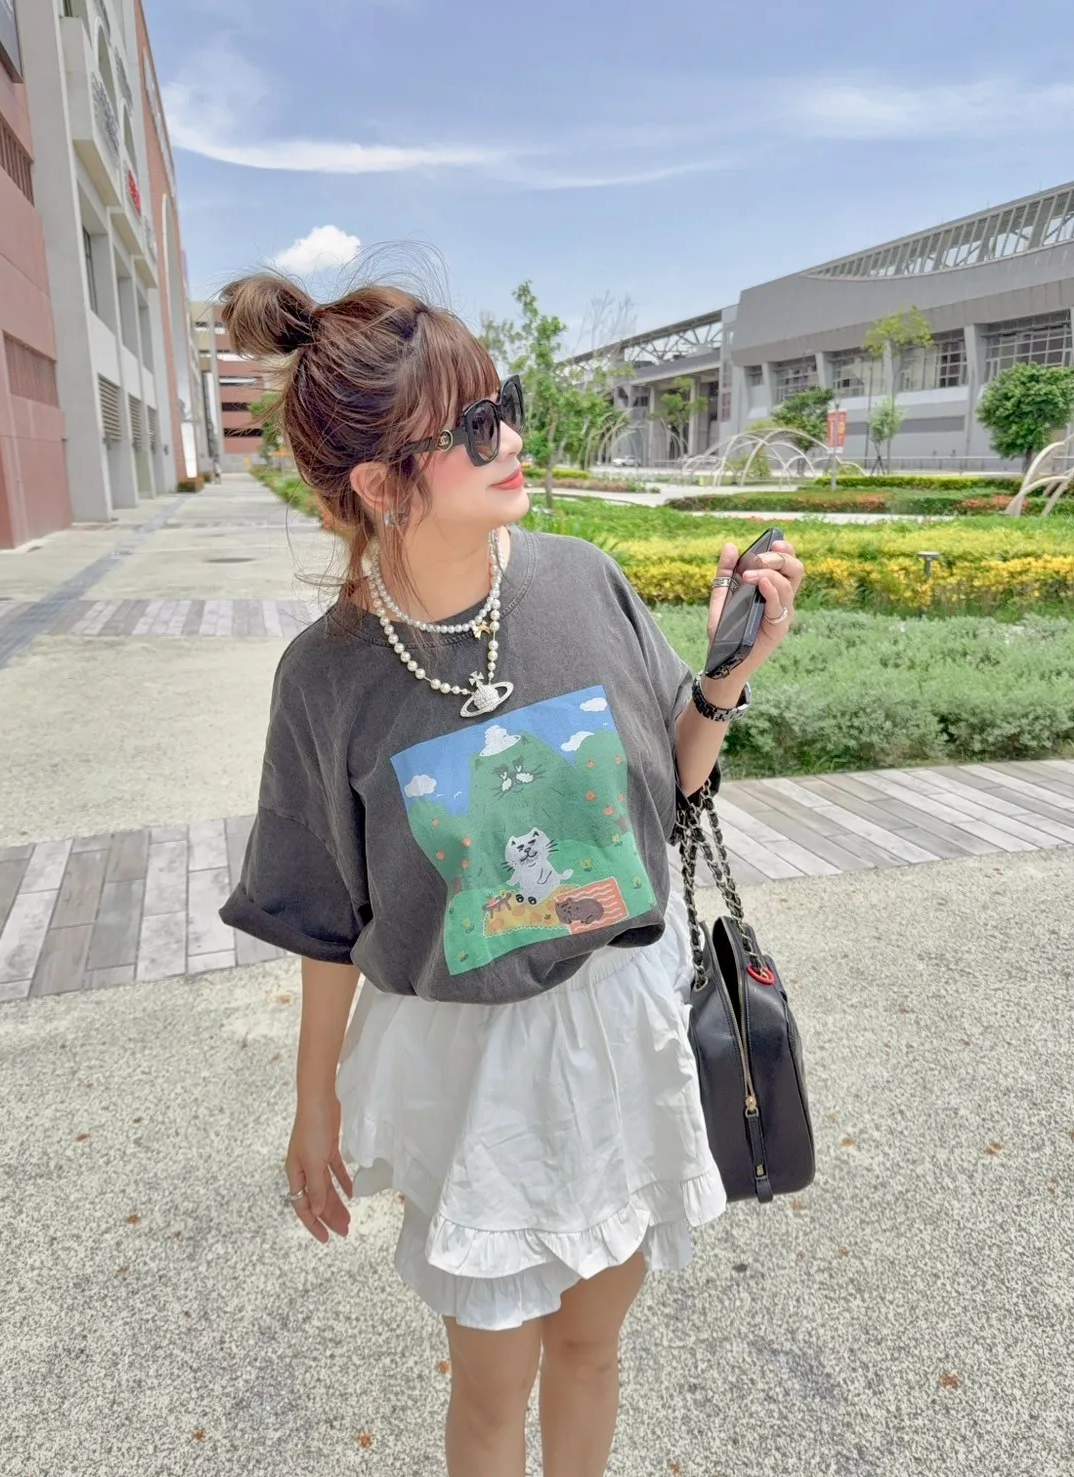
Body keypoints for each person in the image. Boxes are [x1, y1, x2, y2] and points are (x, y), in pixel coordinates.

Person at [217, 269, 804, 1477]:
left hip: (616, 1021)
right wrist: (313, 1100)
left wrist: (723, 678)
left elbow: (671, 789)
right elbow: (324, 917)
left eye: (507, 405)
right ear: (380, 483)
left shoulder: (579, 581)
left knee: (592, 1347)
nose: (513, 440)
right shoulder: (325, 679)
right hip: (470, 1064)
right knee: (491, 1387)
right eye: (476, 425)